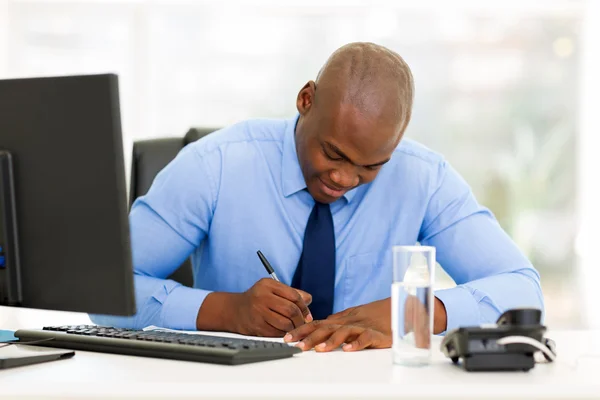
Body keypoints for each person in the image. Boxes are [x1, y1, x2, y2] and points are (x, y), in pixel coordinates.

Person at [91, 42, 544, 352]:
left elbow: (521, 289)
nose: (345, 178)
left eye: (371, 166)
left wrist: (409, 313)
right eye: (332, 153)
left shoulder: (423, 178)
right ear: (306, 99)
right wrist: (225, 310)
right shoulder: (217, 163)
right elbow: (104, 292)